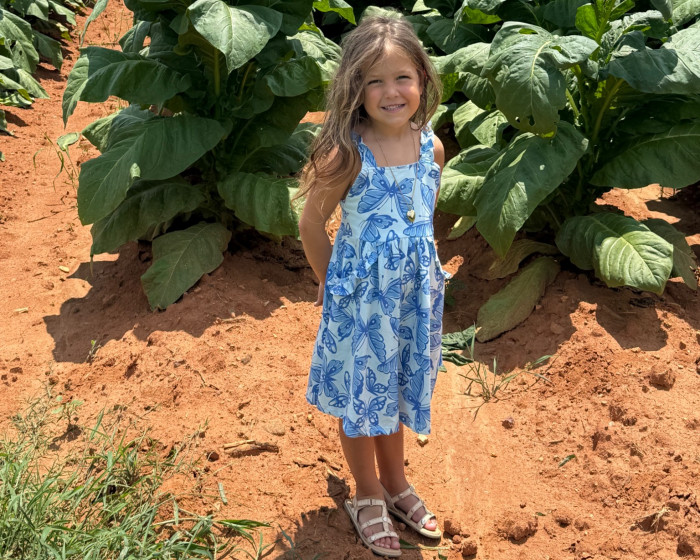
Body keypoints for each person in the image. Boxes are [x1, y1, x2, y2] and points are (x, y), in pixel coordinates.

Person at [298, 13, 447, 558]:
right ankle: (366, 492)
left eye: (402, 77)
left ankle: (396, 483)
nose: (391, 92)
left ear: (422, 80)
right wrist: (330, 282)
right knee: (363, 396)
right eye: (375, 81)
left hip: (410, 303)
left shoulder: (431, 150)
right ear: (355, 89)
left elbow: (420, 222)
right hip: (362, 305)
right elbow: (311, 224)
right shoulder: (346, 154)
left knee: (396, 390)